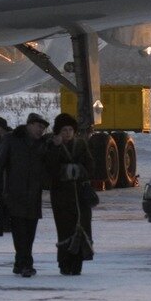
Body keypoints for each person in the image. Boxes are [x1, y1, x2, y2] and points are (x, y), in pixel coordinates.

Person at [0, 112, 50, 277]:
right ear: (29, 125)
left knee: (30, 232)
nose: (41, 131)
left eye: (43, 129)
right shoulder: (11, 139)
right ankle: (26, 264)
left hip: (34, 195)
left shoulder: (42, 143)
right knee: (20, 232)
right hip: (14, 194)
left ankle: (19, 262)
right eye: (39, 127)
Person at [44, 112, 95, 275]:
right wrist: (64, 169)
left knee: (82, 228)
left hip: (80, 196)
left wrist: (79, 171)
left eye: (70, 130)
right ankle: (65, 263)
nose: (67, 133)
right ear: (58, 132)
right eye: (64, 130)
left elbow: (91, 166)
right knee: (65, 229)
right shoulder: (52, 145)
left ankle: (78, 263)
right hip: (61, 197)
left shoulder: (80, 145)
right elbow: (49, 168)